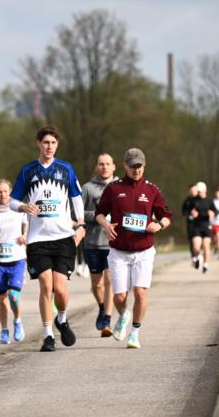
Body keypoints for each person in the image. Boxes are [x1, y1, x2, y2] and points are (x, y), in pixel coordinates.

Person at [9, 126, 85, 353]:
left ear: (57, 145)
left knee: (60, 290)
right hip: (37, 239)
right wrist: (23, 206)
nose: (49, 146)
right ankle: (48, 335)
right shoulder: (28, 171)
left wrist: (80, 225)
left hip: (63, 237)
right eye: (45, 142)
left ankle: (61, 319)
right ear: (38, 144)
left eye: (53, 143)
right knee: (46, 285)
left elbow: (77, 198)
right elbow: (12, 201)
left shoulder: (66, 169)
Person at [95, 148, 172, 350]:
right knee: (119, 297)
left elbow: (166, 216)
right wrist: (106, 225)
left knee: (140, 293)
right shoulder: (113, 188)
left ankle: (135, 333)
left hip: (144, 251)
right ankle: (123, 314)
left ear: (144, 166)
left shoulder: (152, 190)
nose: (136, 170)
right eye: (132, 166)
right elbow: (99, 213)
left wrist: (160, 225)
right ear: (125, 166)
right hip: (119, 251)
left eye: (139, 166)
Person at [81, 154, 118, 336]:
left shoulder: (120, 187)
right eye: (101, 164)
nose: (104, 167)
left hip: (114, 243)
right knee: (97, 284)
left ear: (114, 167)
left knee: (110, 280)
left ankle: (108, 319)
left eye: (108, 164)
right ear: (96, 167)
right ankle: (102, 307)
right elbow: (77, 213)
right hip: (93, 243)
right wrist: (98, 216)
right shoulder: (87, 188)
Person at [0, 179, 28, 343]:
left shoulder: (19, 207)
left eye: (5, 191)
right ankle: (4, 330)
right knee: (1, 298)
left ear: (10, 191)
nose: (2, 194)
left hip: (17, 258)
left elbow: (26, 223)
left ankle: (17, 321)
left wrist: (24, 235)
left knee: (13, 295)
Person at [189, 182, 217, 274]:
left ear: (205, 191)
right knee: (196, 246)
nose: (200, 193)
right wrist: (192, 213)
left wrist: (212, 213)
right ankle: (197, 258)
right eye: (198, 191)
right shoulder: (194, 200)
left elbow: (215, 211)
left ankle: (205, 265)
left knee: (206, 246)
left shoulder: (210, 200)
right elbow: (189, 212)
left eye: (201, 191)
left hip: (207, 226)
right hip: (197, 226)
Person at [181, 185, 199, 268]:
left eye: (194, 190)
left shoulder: (200, 199)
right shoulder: (187, 201)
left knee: (199, 240)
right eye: (191, 190)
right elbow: (183, 212)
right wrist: (190, 213)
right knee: (191, 241)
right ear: (189, 191)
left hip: (200, 223)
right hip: (190, 223)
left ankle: (198, 254)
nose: (193, 192)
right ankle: (194, 257)